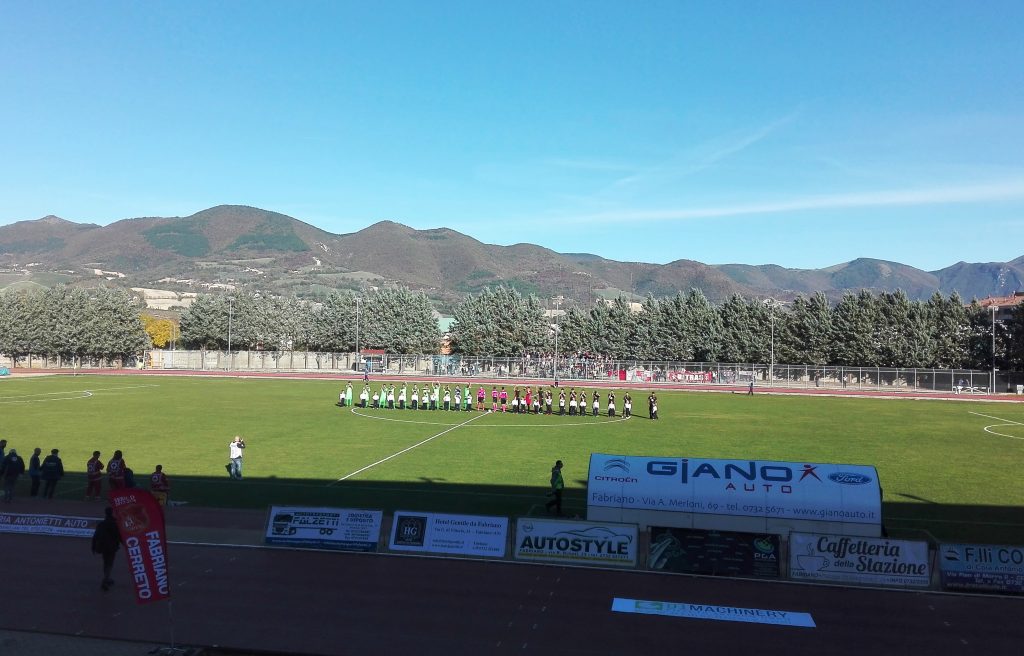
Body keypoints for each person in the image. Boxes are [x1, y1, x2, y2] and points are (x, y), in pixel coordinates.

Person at [91, 507, 121, 591]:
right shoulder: (115, 524)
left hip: (103, 546)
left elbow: (95, 536)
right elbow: (119, 536)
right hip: (112, 547)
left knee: (105, 562)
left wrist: (93, 547)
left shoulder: (101, 524)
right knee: (110, 563)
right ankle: (106, 579)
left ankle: (107, 578)